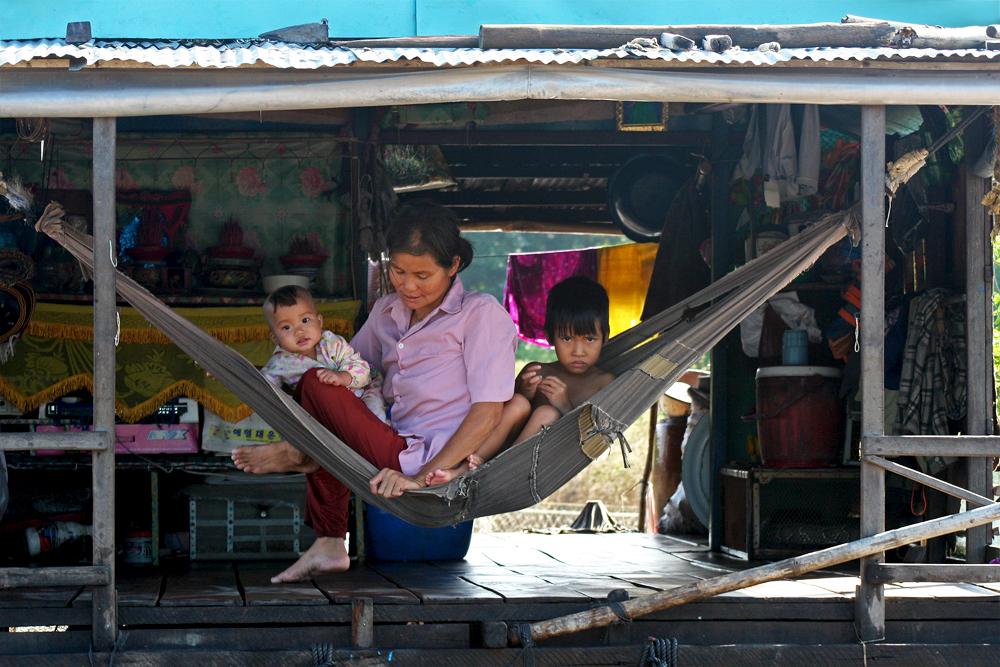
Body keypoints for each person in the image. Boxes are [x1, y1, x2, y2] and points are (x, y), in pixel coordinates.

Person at [231, 202, 518, 583]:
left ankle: (302, 459)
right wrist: (254, 375)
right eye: (398, 271)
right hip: (383, 439)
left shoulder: (481, 315)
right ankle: (329, 536)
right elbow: (344, 371)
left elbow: (489, 413)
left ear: (452, 265)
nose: (408, 286)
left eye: (422, 275)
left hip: (421, 464)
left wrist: (422, 478)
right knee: (321, 381)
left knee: (318, 382)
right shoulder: (385, 311)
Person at [426, 276, 617, 485]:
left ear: (605, 338)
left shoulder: (606, 382)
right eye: (567, 339)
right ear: (550, 338)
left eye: (590, 339)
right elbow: (501, 413)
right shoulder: (538, 371)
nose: (578, 351)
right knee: (518, 402)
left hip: (532, 464)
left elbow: (593, 436)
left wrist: (564, 405)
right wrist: (526, 392)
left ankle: (500, 471)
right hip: (497, 448)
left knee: (547, 413)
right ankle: (462, 470)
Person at [259, 285, 386, 422]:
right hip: (328, 409)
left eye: (305, 320)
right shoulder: (278, 363)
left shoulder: (332, 342)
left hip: (363, 390)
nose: (299, 331)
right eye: (286, 327)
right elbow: (265, 390)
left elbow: (361, 368)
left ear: (319, 322)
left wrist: (342, 377)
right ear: (275, 338)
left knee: (375, 416)